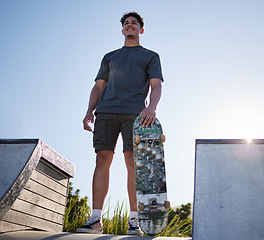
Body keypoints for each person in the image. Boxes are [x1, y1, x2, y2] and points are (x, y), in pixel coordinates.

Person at [77, 11, 164, 235]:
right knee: (102, 160)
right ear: (122, 29)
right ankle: (95, 219)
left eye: (134, 23)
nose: (130, 25)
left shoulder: (150, 56)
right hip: (106, 113)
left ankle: (134, 220)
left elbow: (156, 85)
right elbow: (98, 86)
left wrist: (151, 108)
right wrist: (89, 110)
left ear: (141, 30)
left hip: (135, 115)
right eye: (126, 23)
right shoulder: (110, 56)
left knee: (133, 164)